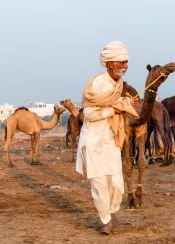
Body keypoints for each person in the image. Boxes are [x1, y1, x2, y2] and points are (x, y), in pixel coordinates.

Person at [76, 41, 139, 234]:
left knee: (117, 184)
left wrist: (124, 103)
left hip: (111, 140)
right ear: (110, 63)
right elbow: (89, 114)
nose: (125, 66)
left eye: (126, 62)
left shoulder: (118, 84)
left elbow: (114, 104)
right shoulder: (97, 83)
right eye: (121, 62)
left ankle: (111, 213)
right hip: (94, 141)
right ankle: (106, 220)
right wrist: (115, 109)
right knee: (99, 184)